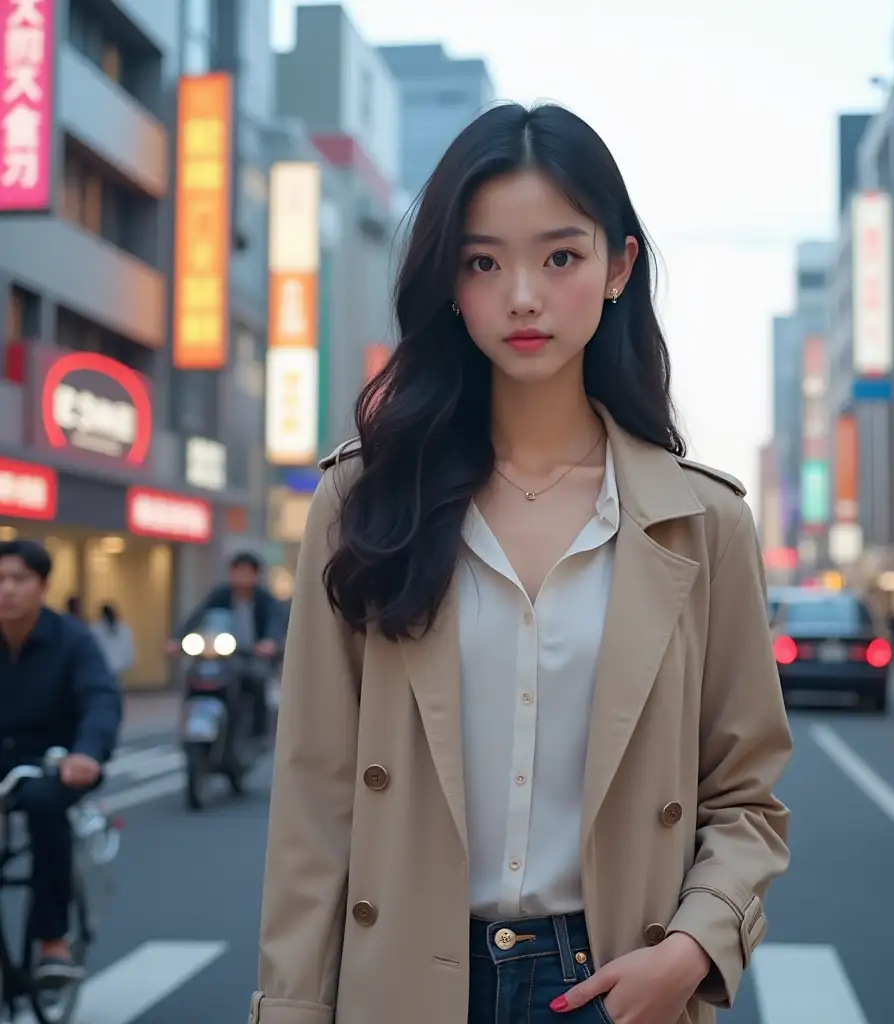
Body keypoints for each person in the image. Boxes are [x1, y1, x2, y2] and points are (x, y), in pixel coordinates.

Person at [252, 102, 792, 1024]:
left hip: (616, 981)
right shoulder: (366, 503)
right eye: (483, 262)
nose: (524, 296)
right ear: (450, 285)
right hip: (407, 986)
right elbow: (314, 802)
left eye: (561, 256)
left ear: (619, 266)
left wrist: (695, 945)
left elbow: (744, 797)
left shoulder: (700, 523)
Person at [0, 540, 122, 984]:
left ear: (43, 586)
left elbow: (100, 698)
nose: (7, 590)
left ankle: (52, 941)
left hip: (56, 761)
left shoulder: (72, 640)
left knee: (43, 807)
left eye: (18, 579)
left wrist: (87, 751)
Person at [172, 552, 282, 738]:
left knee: (256, 684)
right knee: (194, 675)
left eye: (246, 573)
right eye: (237, 572)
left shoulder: (265, 600)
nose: (241, 578)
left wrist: (270, 643)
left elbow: (275, 624)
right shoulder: (220, 595)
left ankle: (258, 733)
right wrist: (176, 639)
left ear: (256, 576)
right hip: (221, 657)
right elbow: (196, 617)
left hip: (251, 658)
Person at [91, 603, 136, 685]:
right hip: (112, 665)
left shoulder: (122, 629)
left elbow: (127, 646)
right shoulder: (97, 629)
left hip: (112, 665)